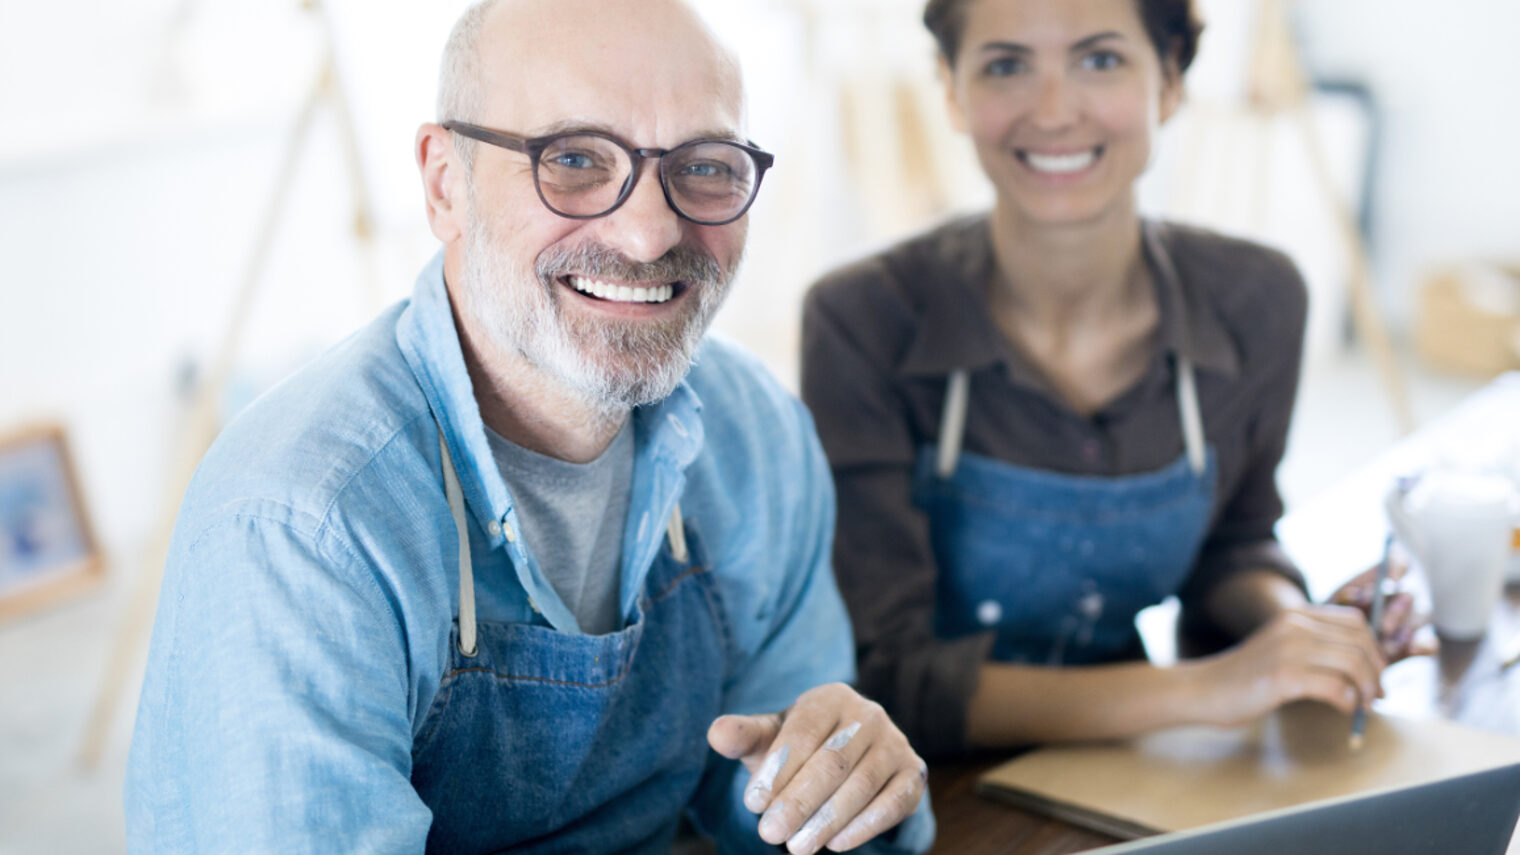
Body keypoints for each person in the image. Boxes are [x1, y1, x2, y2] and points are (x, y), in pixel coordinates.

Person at [125, 1, 934, 852]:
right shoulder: (302, 526)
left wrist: (846, 789)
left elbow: (777, 802)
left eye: (704, 164)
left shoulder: (755, 435)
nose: (649, 232)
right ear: (446, 182)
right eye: (575, 159)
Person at [800, 0, 1424, 760]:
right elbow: (888, 677)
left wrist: (1298, 628)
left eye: (1100, 60)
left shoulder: (1257, 299)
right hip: (926, 785)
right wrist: (1215, 688)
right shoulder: (864, 318)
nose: (1055, 112)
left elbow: (1232, 545)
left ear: (1169, 81)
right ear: (952, 90)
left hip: (1135, 762)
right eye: (1006, 65)